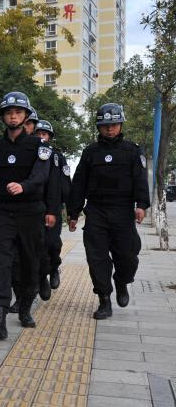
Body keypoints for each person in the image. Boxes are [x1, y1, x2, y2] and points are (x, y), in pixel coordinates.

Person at [0, 91, 53, 339]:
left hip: (30, 213)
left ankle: (25, 307)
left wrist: (24, 186)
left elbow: (41, 175)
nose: (13, 116)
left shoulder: (40, 146)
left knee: (30, 263)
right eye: (9, 113)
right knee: (2, 261)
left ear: (25, 116)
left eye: (18, 112)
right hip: (2, 212)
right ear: (3, 116)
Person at [67, 103, 149, 319]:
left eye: (114, 125)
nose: (110, 129)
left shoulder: (132, 151)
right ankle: (104, 299)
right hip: (97, 211)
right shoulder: (90, 152)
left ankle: (122, 281)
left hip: (123, 211)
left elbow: (140, 180)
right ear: (99, 127)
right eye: (105, 125)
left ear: (120, 125)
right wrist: (74, 213)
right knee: (97, 258)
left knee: (128, 256)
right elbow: (78, 183)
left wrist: (141, 205)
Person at [9, 110, 58, 314]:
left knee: (42, 251)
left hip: (40, 210)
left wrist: (52, 210)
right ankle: (20, 298)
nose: (27, 127)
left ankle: (43, 276)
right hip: (13, 212)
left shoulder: (45, 151)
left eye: (30, 124)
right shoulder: (12, 148)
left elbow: (54, 184)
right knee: (14, 258)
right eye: (26, 123)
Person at [34, 120, 71, 290]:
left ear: (49, 137)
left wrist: (71, 211)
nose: (41, 137)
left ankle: (54, 268)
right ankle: (41, 277)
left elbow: (66, 184)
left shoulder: (58, 157)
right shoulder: (29, 155)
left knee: (53, 243)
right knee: (37, 245)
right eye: (38, 134)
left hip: (54, 208)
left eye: (44, 134)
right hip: (33, 207)